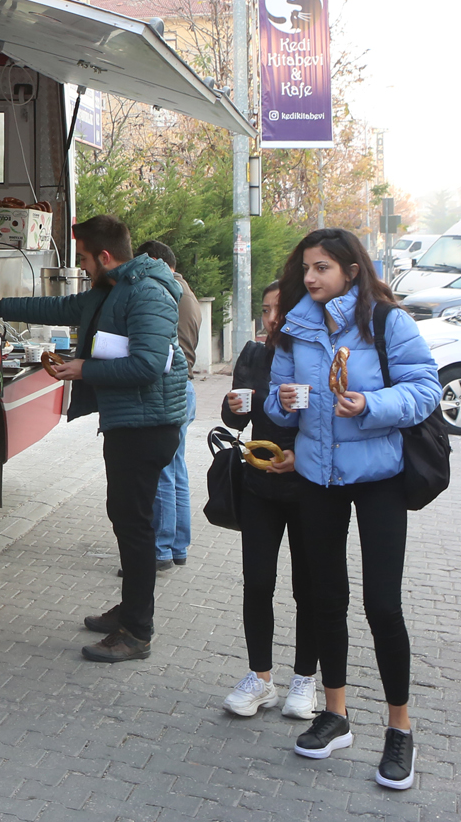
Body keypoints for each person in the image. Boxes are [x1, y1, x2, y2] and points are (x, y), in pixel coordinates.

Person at [264, 227, 439, 791]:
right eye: (307, 268)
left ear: (351, 270)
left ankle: (400, 729)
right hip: (317, 477)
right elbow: (276, 401)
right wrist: (283, 403)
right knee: (323, 598)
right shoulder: (295, 327)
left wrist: (371, 404)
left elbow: (425, 388)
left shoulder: (388, 323)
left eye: (322, 268)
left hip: (380, 477)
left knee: (382, 605)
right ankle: (334, 714)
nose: (311, 277)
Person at [0, 214, 190, 663]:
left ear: (105, 256)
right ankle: (129, 608)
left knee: (135, 524)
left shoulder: (148, 293)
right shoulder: (112, 289)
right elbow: (63, 310)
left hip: (148, 426)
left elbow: (147, 365)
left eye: (84, 258)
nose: (82, 267)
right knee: (124, 516)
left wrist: (85, 369)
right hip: (128, 422)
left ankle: (136, 632)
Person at [219, 281, 318, 721]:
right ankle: (261, 679)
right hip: (259, 482)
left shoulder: (316, 358)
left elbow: (332, 418)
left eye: (280, 309)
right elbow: (233, 414)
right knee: (257, 582)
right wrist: (233, 406)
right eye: (265, 309)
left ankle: (305, 680)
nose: (272, 318)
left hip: (308, 487)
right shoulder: (254, 354)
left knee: (309, 588)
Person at [135, 240, 200, 571]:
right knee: (176, 470)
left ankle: (159, 550)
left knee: (162, 470)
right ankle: (177, 546)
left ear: (156, 261)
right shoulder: (186, 291)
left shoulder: (166, 292)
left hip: (169, 390)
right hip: (185, 387)